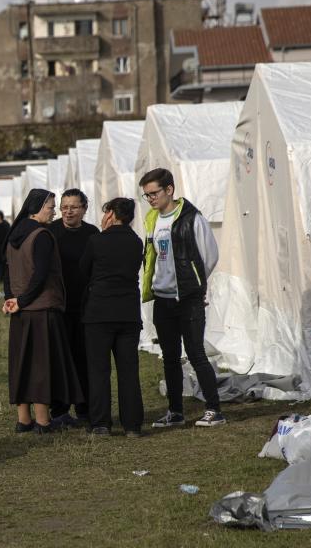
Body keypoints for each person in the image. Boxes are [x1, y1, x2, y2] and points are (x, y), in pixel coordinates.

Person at [140, 168, 224, 428]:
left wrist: (194, 285)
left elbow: (209, 255)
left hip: (188, 298)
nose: (151, 199)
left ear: (169, 190)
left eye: (154, 193)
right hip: (162, 299)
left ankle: (214, 410)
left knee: (196, 353)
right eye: (146, 195)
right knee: (170, 356)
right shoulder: (152, 219)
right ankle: (176, 412)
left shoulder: (191, 218)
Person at [1, 189, 83, 434]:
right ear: (37, 207)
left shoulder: (15, 234)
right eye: (51, 206)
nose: (54, 210)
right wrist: (23, 300)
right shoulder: (42, 235)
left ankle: (23, 420)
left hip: (21, 312)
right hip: (41, 311)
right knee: (40, 367)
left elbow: (7, 273)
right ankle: (43, 422)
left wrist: (11, 300)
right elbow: (41, 275)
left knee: (22, 364)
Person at [80, 198, 144, 436]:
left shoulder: (96, 241)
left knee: (99, 371)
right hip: (128, 312)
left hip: (99, 313)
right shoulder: (136, 242)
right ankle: (132, 425)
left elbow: (83, 272)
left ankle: (101, 423)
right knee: (129, 371)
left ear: (112, 215)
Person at [48, 189, 99, 427]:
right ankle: (58, 410)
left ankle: (85, 408)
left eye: (73, 207)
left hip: (85, 307)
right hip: (58, 307)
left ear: (84, 208)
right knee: (59, 359)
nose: (68, 211)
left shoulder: (92, 233)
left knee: (84, 358)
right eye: (64, 206)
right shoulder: (50, 233)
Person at [0, 210, 9, 284]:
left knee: (5, 262)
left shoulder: (5, 224)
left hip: (5, 246)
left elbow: (8, 235)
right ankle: (0, 277)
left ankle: (5, 277)